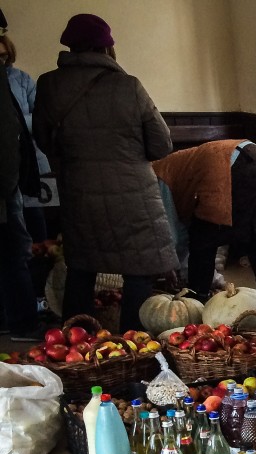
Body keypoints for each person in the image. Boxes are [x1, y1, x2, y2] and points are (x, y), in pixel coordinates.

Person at [32, 13, 175, 332]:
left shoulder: (48, 85)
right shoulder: (129, 86)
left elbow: (43, 139)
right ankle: (132, 346)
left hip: (79, 195)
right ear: (108, 48)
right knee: (138, 271)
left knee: (81, 270)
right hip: (133, 197)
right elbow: (161, 144)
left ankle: (75, 344)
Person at [153, 139, 256, 297]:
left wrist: (168, 267)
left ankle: (198, 298)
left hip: (229, 164)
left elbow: (175, 237)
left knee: (202, 242)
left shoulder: (157, 176)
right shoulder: (170, 165)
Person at [0, 38, 38, 339]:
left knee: (19, 247)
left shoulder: (21, 79)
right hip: (6, 181)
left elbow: (33, 122)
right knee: (14, 250)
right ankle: (22, 323)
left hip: (16, 175)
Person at [2, 29, 49, 245]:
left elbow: (41, 116)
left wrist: (16, 124)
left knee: (35, 219)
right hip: (6, 163)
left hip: (28, 160)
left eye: (3, 56)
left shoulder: (21, 79)